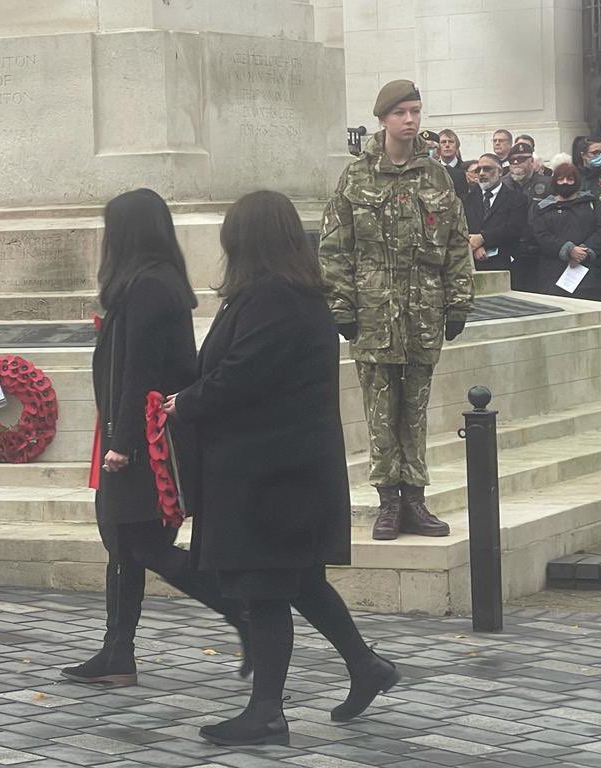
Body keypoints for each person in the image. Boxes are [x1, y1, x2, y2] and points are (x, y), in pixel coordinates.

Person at [163, 191, 399, 747]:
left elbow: (246, 374)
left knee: (266, 588)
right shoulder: (280, 294)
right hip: (280, 468)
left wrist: (187, 403)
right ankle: (366, 666)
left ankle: (267, 712)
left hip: (271, 474)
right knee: (301, 581)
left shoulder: (275, 297)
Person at [60, 188, 248, 688]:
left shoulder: (147, 287)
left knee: (141, 545)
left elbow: (140, 372)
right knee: (126, 545)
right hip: (144, 434)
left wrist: (122, 442)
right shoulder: (152, 283)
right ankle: (117, 651)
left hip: (144, 441)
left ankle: (242, 612)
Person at [319, 79, 474, 542]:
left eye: (416, 111)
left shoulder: (436, 175)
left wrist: (459, 300)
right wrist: (341, 306)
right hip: (373, 315)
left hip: (422, 314)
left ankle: (416, 500)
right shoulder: (356, 177)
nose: (411, 120)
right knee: (380, 412)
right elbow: (335, 248)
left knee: (416, 410)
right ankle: (388, 501)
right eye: (402, 112)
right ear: (383, 118)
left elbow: (455, 243)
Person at [530, 162, 601, 302]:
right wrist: (568, 249)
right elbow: (541, 236)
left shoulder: (591, 203)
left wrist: (584, 250)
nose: (565, 182)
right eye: (561, 179)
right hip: (554, 275)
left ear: (576, 181)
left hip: (591, 274)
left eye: (570, 179)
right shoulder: (543, 208)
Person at [463, 154, 528, 272]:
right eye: (478, 170)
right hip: (473, 264)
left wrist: (483, 239)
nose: (482, 173)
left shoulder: (517, 199)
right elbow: (463, 226)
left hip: (505, 264)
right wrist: (475, 246)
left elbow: (514, 228)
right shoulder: (467, 199)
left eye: (487, 169)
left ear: (500, 172)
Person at [504, 142, 551, 291]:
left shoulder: (547, 184)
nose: (516, 163)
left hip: (538, 250)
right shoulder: (503, 185)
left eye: (522, 159)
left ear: (532, 161)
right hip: (511, 249)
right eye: (512, 160)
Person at [438, 129, 467, 196]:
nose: (447, 145)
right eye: (443, 142)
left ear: (457, 147)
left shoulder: (466, 169)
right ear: (438, 147)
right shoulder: (433, 170)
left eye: (451, 142)